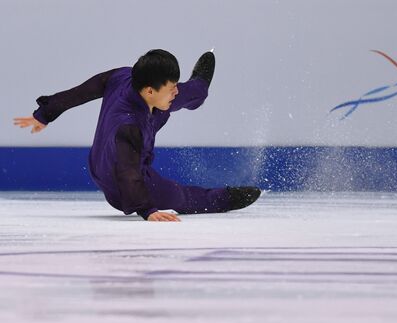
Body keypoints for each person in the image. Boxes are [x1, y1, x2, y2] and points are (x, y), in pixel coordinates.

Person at [13, 49, 261, 222]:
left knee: (185, 95)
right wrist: (147, 209)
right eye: (170, 86)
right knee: (178, 196)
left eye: (175, 83)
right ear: (150, 90)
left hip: (141, 123)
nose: (175, 90)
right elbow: (127, 171)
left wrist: (45, 113)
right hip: (116, 178)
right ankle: (225, 198)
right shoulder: (128, 127)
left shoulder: (125, 76)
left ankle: (200, 88)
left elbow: (83, 91)